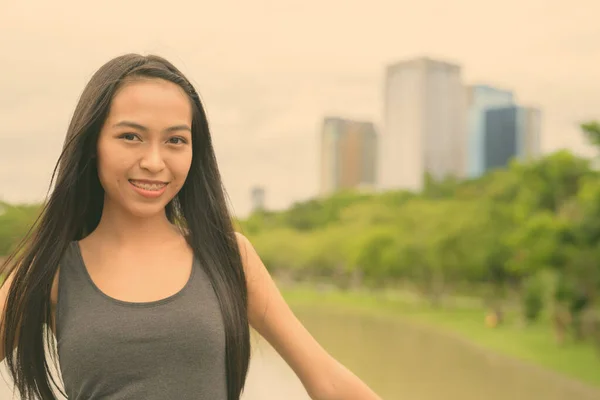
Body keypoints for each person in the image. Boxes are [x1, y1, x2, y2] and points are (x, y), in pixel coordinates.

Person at [0, 54, 381, 400]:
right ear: (93, 143)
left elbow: (326, 379)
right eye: (130, 136)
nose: (154, 161)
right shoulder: (49, 270)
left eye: (175, 140)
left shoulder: (229, 256)